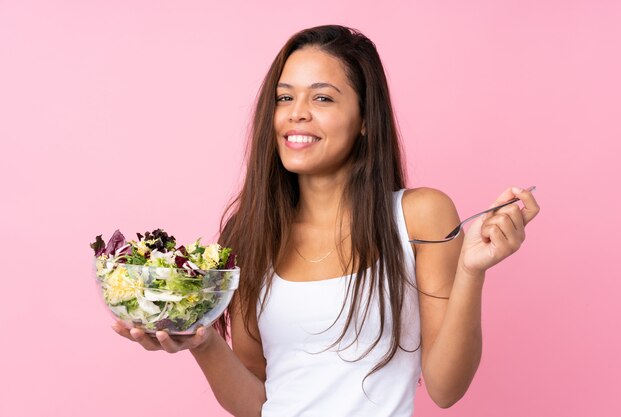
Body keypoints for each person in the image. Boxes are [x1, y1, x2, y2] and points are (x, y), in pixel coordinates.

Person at [112, 25, 540, 416]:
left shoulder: (420, 215)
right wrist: (203, 343)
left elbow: (447, 388)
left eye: (322, 97)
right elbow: (258, 402)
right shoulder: (250, 233)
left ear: (366, 120)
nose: (296, 113)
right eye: (285, 97)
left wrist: (470, 270)